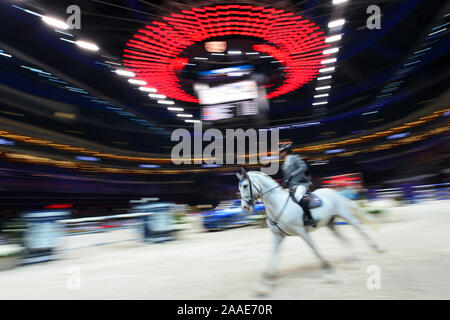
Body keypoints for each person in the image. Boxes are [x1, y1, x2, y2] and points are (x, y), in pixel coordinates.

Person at [279, 143, 318, 227]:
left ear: (285, 152)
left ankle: (310, 218)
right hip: (292, 186)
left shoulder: (295, 158)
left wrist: (293, 174)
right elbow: (286, 177)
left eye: (281, 152)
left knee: (298, 196)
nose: (280, 153)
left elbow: (304, 167)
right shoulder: (284, 164)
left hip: (301, 183)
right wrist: (284, 182)